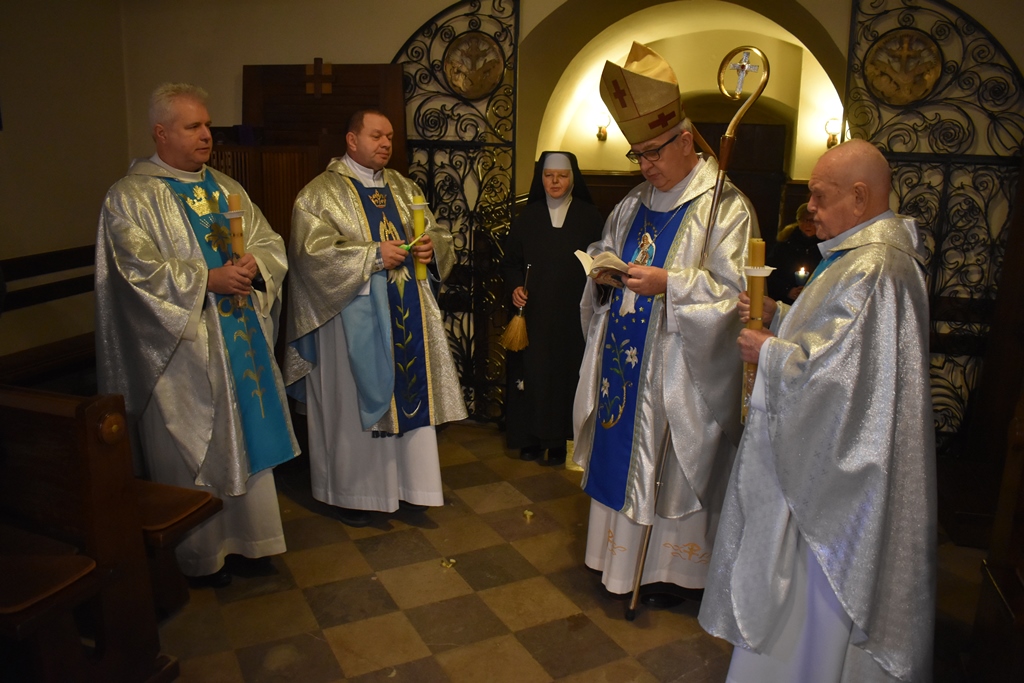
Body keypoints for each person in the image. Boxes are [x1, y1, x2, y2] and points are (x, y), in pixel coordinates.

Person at [698, 139, 936, 682]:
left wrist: (769, 353)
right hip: (828, 462)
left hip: (837, 488)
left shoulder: (875, 267)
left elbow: (839, 382)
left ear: (860, 196)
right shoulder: (860, 257)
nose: (810, 208)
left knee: (817, 596)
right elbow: (839, 344)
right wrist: (782, 317)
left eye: (820, 196)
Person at [573, 43, 757, 604]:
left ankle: (669, 574)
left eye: (653, 152)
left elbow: (736, 294)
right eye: (637, 154)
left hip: (676, 373)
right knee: (618, 447)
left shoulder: (724, 207)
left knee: (670, 467)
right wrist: (602, 275)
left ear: (685, 140)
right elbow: (606, 248)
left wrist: (670, 284)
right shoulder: (632, 203)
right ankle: (614, 562)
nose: (646, 165)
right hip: (623, 365)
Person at [95, 83, 299, 586]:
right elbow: (132, 273)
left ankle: (252, 542)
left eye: (207, 125)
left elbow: (269, 242)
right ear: (161, 133)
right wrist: (206, 280)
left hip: (239, 337)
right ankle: (201, 556)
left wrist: (255, 264)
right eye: (193, 126)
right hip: (181, 349)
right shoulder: (129, 197)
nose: (207, 134)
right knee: (193, 447)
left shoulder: (226, 188)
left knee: (248, 433)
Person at [284, 109, 467, 528]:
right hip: (347, 320)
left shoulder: (403, 187)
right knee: (350, 405)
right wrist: (371, 256)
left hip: (405, 312)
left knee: (408, 397)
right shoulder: (319, 194)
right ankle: (353, 493)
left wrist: (431, 248)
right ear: (352, 140)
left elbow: (436, 232)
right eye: (376, 136)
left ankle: (409, 486)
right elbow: (309, 255)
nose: (385, 143)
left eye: (389, 137)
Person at [501, 151, 604, 467]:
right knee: (532, 375)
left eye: (562, 175)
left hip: (573, 315)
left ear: (573, 178)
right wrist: (515, 287)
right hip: (533, 315)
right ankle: (529, 439)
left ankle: (558, 442)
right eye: (548, 175)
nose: (555, 181)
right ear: (540, 178)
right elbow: (511, 263)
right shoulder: (527, 217)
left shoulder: (591, 217)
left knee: (565, 376)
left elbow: (602, 262)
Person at [766, 202, 822, 304]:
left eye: (812, 220)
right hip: (785, 301)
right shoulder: (784, 245)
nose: (808, 225)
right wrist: (787, 290)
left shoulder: (825, 245)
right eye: (803, 220)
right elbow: (770, 273)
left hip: (815, 299)